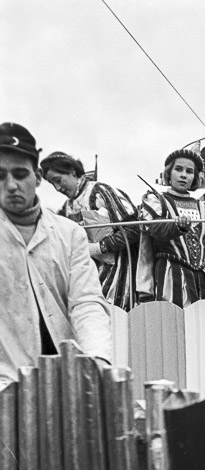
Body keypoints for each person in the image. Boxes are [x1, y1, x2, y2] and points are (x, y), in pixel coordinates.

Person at [0, 122, 111, 384]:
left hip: (66, 381)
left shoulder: (69, 233)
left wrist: (97, 359)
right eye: (0, 176)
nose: (11, 185)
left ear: (37, 177)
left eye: (19, 174)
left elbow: (86, 301)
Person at [40, 151, 140, 311]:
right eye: (52, 184)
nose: (57, 188)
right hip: (88, 279)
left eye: (58, 180)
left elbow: (134, 228)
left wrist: (98, 247)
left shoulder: (101, 192)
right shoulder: (66, 208)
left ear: (72, 171)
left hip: (118, 276)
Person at [136, 148, 205, 306]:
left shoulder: (203, 207)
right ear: (169, 173)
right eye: (178, 169)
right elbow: (157, 231)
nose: (183, 175)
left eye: (189, 171)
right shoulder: (158, 202)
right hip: (171, 277)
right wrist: (177, 227)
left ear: (194, 177)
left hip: (203, 279)